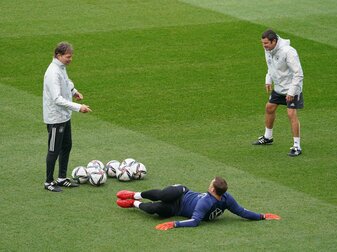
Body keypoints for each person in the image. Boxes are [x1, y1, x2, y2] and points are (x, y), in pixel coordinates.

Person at [116, 177, 280, 230]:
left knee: (157, 209)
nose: (208, 185)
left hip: (176, 208)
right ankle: (135, 194)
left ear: (214, 190)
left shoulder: (208, 202)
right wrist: (263, 216)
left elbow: (195, 221)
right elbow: (242, 212)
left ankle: (133, 204)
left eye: (211, 184)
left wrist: (262, 216)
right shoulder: (221, 197)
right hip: (183, 192)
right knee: (164, 195)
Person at [43, 42, 92, 192]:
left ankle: (62, 178)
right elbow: (57, 98)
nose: (70, 59)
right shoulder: (53, 72)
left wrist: (74, 91)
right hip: (55, 118)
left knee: (66, 146)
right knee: (54, 150)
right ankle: (48, 182)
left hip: (64, 116)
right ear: (58, 55)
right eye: (68, 57)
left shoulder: (61, 68)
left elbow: (66, 82)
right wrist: (79, 107)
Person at [253, 29, 304, 157]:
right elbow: (270, 66)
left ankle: (297, 146)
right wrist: (268, 80)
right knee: (269, 107)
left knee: (291, 113)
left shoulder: (289, 52)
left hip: (292, 87)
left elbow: (298, 74)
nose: (264, 46)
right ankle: (268, 137)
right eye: (262, 43)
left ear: (274, 41)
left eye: (266, 43)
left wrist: (292, 92)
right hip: (279, 87)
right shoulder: (269, 50)